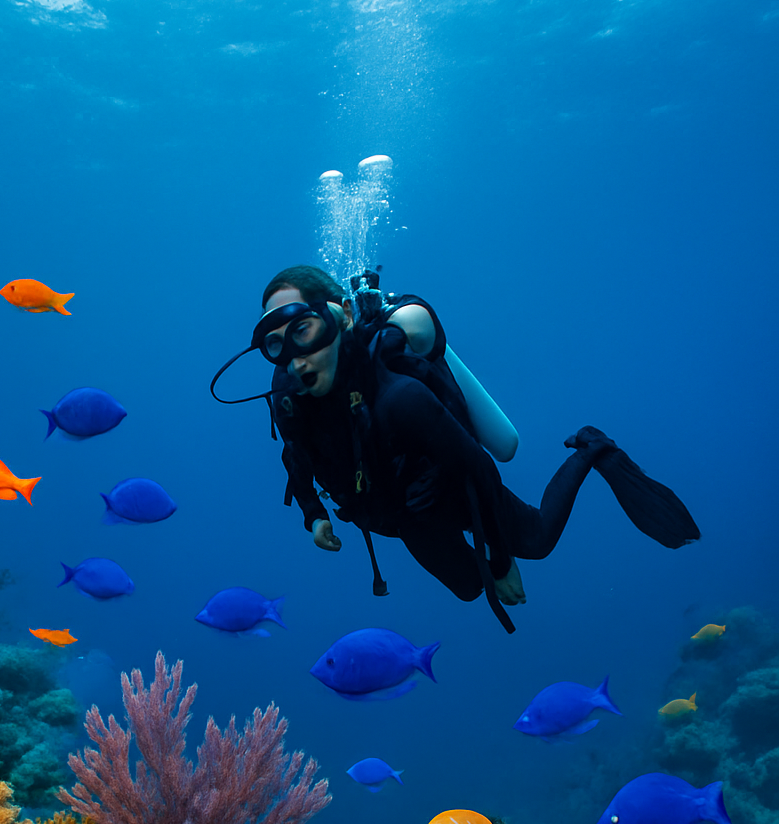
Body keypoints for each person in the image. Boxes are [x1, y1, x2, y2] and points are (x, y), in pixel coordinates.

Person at [215, 264, 700, 632]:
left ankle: (592, 447)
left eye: (303, 330)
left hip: (459, 486)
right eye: (276, 344)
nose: (295, 359)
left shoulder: (400, 399)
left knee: (536, 543)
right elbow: (295, 456)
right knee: (471, 589)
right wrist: (312, 514)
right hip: (402, 515)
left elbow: (477, 464)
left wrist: (503, 559)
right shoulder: (289, 398)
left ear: (338, 317)